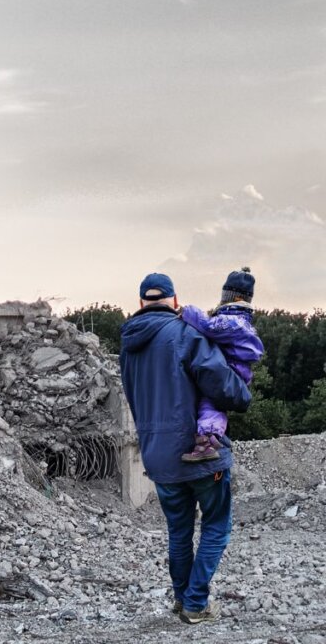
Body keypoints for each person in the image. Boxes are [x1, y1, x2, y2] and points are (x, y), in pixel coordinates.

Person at [119, 272, 252, 624]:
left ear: (140, 304)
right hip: (201, 453)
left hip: (158, 457)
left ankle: (182, 600)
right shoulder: (184, 333)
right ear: (175, 302)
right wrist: (243, 391)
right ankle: (195, 603)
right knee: (216, 526)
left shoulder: (129, 347)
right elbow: (226, 388)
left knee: (179, 532)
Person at [179, 267, 265, 462]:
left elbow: (209, 328)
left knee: (210, 404)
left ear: (232, 298)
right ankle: (210, 440)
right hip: (236, 370)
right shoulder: (241, 321)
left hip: (230, 370)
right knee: (214, 404)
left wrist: (188, 311)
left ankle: (207, 441)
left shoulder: (232, 321)